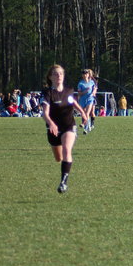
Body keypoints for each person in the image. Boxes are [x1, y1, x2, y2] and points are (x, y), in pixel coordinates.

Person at [40, 64, 88, 193]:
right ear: (50, 77)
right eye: (55, 74)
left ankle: (63, 183)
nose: (59, 76)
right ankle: (63, 167)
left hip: (68, 126)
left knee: (67, 150)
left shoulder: (69, 90)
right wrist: (51, 123)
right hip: (53, 129)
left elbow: (73, 102)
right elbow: (44, 113)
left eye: (61, 73)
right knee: (58, 158)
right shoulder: (48, 93)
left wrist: (83, 113)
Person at [77, 69, 98, 133]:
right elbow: (79, 93)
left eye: (86, 74)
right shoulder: (80, 83)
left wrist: (93, 92)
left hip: (90, 99)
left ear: (88, 75)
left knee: (87, 113)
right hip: (82, 100)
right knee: (83, 114)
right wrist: (84, 92)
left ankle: (86, 128)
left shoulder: (92, 82)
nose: (85, 75)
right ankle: (87, 126)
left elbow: (95, 88)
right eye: (83, 74)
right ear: (82, 75)